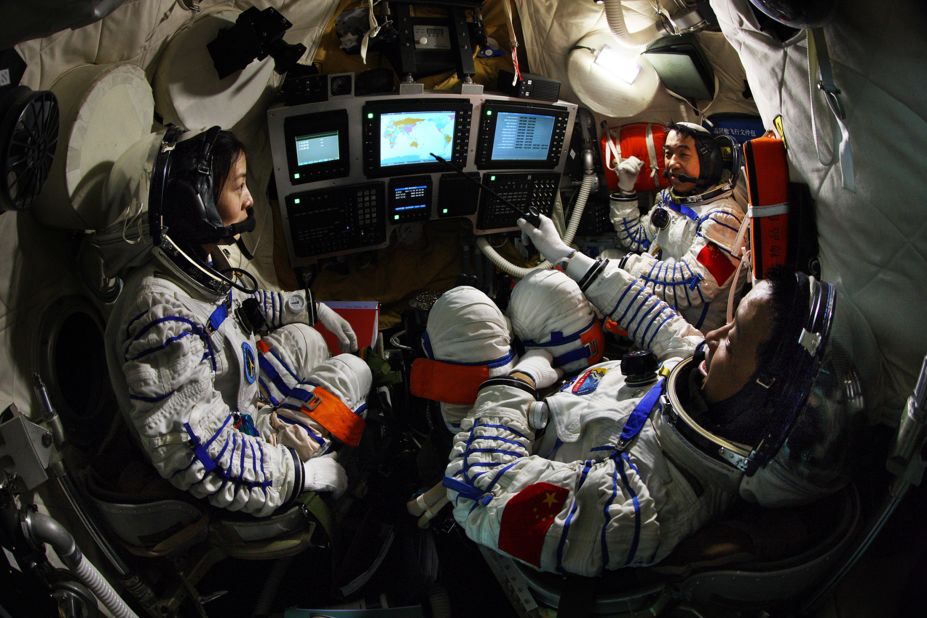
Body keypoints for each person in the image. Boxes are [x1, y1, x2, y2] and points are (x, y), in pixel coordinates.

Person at [441, 215, 858, 576]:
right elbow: (651, 314)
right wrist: (565, 255)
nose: (712, 337)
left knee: (463, 308)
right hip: (556, 396)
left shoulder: (643, 504)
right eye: (728, 324)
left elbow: (481, 490)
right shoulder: (704, 384)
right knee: (547, 290)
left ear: (761, 400)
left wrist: (518, 379)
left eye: (732, 341)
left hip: (494, 434)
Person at [101, 126, 370, 518]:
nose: (248, 200)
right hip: (234, 447)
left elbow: (238, 308)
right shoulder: (159, 314)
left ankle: (290, 421)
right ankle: (298, 446)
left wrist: (306, 307)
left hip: (239, 400)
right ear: (198, 203)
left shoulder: (196, 259)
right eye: (239, 186)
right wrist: (297, 475)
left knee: (307, 339)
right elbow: (196, 454)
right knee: (354, 371)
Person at [606, 122, 746, 331]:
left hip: (693, 338)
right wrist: (625, 190)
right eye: (668, 154)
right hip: (658, 316)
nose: (672, 163)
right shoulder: (669, 200)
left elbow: (692, 286)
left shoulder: (725, 220)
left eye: (683, 155)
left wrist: (629, 267)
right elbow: (637, 239)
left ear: (709, 161)